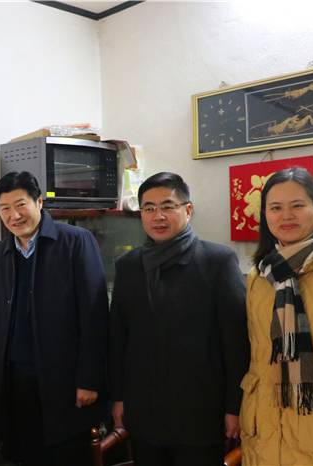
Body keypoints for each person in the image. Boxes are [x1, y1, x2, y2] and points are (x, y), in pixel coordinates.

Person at [0, 171, 109, 466]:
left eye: (21, 205)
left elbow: (95, 315)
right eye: (5, 208)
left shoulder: (75, 242)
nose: (14, 215)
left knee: (68, 456)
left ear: (39, 202)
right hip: (16, 384)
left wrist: (89, 379)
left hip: (66, 383)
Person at [109, 172, 250, 466]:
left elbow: (237, 344)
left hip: (199, 414)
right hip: (144, 411)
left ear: (187, 210)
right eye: (149, 208)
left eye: (167, 206)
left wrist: (234, 407)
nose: (157, 216)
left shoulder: (217, 261)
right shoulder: (128, 265)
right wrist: (118, 398)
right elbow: (118, 339)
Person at [240, 168, 313, 465]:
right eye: (275, 208)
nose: (286, 216)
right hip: (264, 438)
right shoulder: (258, 277)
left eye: (297, 205)